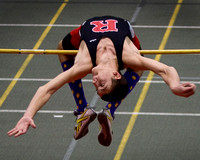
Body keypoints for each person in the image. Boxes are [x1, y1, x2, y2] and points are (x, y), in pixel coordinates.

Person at [8, 16, 196, 147]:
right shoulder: (128, 55)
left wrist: (28, 114)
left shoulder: (83, 64)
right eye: (101, 85)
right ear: (115, 74)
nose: (93, 82)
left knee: (62, 49)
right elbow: (165, 69)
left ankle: (84, 111)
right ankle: (107, 112)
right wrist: (174, 85)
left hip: (88, 33)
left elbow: (47, 89)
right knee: (141, 63)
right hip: (125, 37)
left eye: (96, 88)